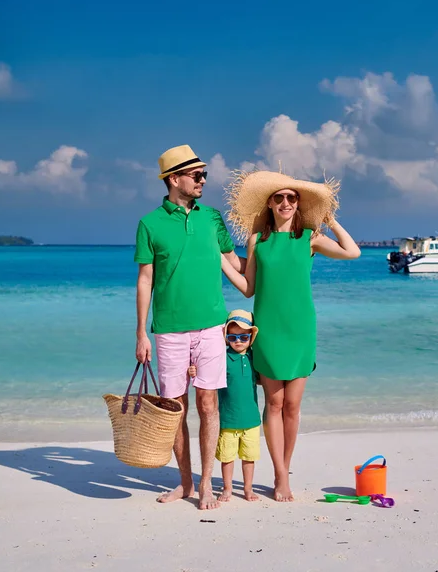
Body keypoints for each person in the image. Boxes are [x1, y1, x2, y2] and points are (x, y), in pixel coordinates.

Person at [221, 170, 360, 502]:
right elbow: (249, 288)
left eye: (292, 198)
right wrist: (221, 264)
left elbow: (352, 252)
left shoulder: (310, 238)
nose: (285, 202)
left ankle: (284, 470)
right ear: (270, 203)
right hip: (268, 329)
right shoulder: (258, 241)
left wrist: (331, 220)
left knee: (293, 407)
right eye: (279, 197)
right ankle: (280, 476)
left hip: (300, 330)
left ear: (298, 204)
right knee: (274, 402)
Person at [134, 144, 245, 510]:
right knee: (176, 407)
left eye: (204, 175)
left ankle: (207, 484)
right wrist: (141, 333)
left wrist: (281, 247)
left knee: (209, 403)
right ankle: (184, 482)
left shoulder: (212, 218)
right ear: (174, 179)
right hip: (168, 330)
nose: (202, 180)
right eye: (196, 175)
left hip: (212, 326)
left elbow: (235, 262)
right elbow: (145, 279)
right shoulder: (150, 224)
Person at [188, 309, 261, 502]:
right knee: (227, 458)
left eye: (243, 337)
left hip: (252, 419)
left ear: (251, 337)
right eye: (233, 336)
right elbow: (205, 371)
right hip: (227, 419)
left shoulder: (255, 358)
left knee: (249, 457)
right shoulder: (221, 357)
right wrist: (194, 369)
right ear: (226, 337)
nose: (238, 340)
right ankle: (227, 488)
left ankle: (247, 489)